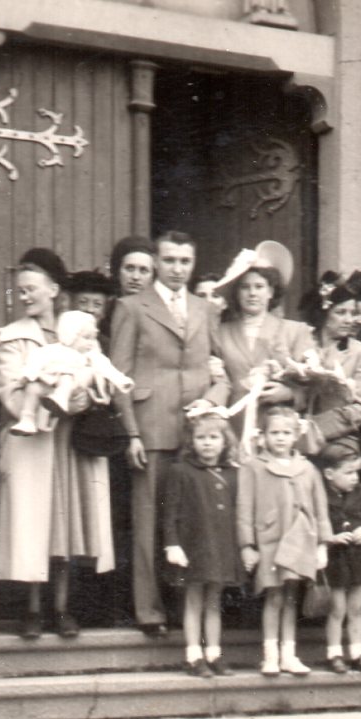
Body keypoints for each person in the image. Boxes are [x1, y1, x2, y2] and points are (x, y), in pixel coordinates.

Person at [110, 230, 229, 635]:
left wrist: (210, 402)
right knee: (148, 521)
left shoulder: (204, 309)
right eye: (170, 260)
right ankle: (150, 611)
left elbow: (221, 374)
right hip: (151, 426)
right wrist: (131, 433)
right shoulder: (131, 307)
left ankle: (186, 608)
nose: (178, 269)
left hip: (195, 432)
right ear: (157, 262)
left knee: (191, 518)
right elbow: (119, 376)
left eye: (185, 261)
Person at [0, 248, 114, 639]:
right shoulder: (12, 338)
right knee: (34, 524)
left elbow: (97, 376)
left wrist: (85, 400)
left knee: (66, 521)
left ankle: (62, 608)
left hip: (70, 443)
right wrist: (52, 406)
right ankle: (32, 608)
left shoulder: (78, 330)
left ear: (54, 290)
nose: (25, 296)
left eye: (32, 289)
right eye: (21, 290)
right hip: (33, 442)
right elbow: (10, 394)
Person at [237, 407, 331, 676]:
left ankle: (289, 655)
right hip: (270, 542)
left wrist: (322, 545)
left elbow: (320, 510)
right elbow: (244, 508)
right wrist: (247, 546)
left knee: (291, 598)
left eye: (286, 433)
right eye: (274, 432)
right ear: (263, 435)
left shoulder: (308, 469)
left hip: (300, 543)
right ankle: (270, 656)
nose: (280, 438)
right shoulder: (254, 467)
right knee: (274, 596)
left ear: (296, 436)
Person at [163, 410, 241, 677]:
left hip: (221, 546)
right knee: (194, 599)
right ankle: (194, 656)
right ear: (191, 441)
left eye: (213, 437)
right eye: (201, 438)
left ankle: (214, 654)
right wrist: (172, 544)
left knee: (214, 600)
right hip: (193, 546)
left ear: (225, 441)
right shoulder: (181, 471)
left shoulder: (233, 473)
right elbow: (170, 511)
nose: (207, 443)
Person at [208, 242, 313, 439]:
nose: (252, 293)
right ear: (237, 293)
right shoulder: (220, 333)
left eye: (259, 286)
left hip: (278, 430)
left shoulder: (295, 331)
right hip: (233, 427)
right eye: (245, 287)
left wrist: (289, 393)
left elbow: (313, 387)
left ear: (271, 291)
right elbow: (217, 382)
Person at [295, 271, 361, 453]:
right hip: (288, 436)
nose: (350, 320)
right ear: (323, 312)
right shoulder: (299, 341)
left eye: (353, 313)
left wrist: (313, 429)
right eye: (341, 312)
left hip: (337, 442)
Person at [11, 310, 132, 435]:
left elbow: (107, 368)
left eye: (93, 338)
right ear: (70, 336)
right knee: (33, 388)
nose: (91, 343)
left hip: (73, 388)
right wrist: (27, 375)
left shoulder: (91, 356)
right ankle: (27, 419)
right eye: (86, 338)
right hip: (48, 384)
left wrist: (121, 381)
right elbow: (36, 360)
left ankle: (60, 399)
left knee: (67, 378)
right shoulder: (53, 350)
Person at [320, 437, 361, 674]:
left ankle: (357, 653)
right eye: (348, 473)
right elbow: (314, 523)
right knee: (337, 609)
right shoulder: (321, 496)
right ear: (329, 474)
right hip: (335, 560)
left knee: (355, 608)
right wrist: (331, 538)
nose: (355, 477)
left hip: (359, 558)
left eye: (356, 472)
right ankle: (334, 654)